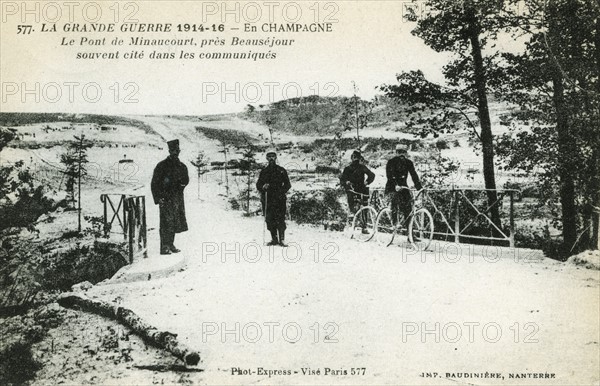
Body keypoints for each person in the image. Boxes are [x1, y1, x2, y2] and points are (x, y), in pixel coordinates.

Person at [151, 139, 189, 255]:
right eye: (173, 150)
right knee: (165, 222)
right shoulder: (161, 165)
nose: (175, 152)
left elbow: (186, 179)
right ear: (169, 151)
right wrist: (158, 198)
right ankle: (164, 246)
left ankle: (171, 244)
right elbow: (154, 183)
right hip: (165, 198)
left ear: (179, 151)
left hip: (177, 198)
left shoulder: (182, 166)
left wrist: (182, 185)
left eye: (177, 150)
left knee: (174, 221)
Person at [256, 148, 292, 246]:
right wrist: (263, 187)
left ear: (276, 158)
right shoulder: (264, 171)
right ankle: (274, 239)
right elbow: (258, 184)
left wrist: (281, 192)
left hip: (279, 199)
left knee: (280, 218)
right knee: (270, 219)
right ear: (267, 158)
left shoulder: (281, 170)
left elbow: (288, 185)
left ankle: (282, 239)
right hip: (268, 199)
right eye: (269, 157)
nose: (271, 158)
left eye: (273, 156)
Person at [385, 144, 422, 226]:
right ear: (396, 152)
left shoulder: (408, 163)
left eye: (404, 152)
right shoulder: (391, 162)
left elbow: (414, 174)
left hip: (404, 187)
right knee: (395, 202)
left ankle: (410, 234)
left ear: (406, 153)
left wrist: (419, 187)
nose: (402, 154)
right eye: (400, 152)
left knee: (408, 209)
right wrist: (395, 185)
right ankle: (394, 223)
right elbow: (389, 176)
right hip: (392, 187)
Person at [340, 150, 375, 214]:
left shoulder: (349, 168)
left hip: (357, 189)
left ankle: (358, 217)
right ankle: (356, 216)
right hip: (355, 190)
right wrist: (346, 182)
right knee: (359, 207)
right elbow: (342, 180)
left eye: (356, 157)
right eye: (354, 157)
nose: (355, 159)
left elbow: (371, 175)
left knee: (362, 207)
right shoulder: (350, 168)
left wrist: (367, 182)